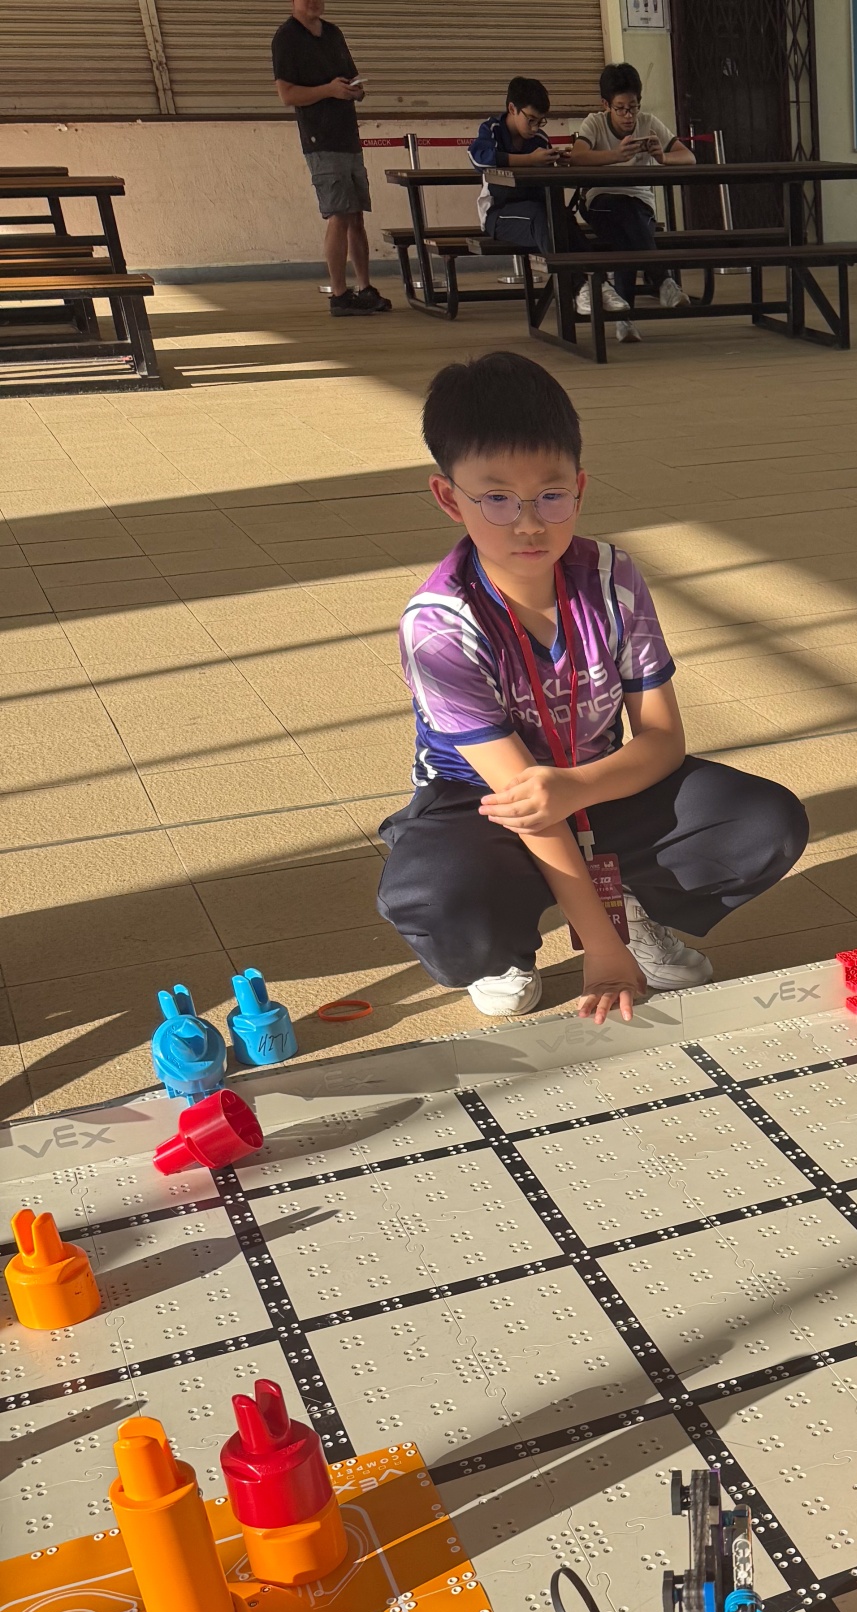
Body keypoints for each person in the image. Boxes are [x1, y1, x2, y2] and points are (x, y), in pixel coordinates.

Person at [377, 352, 808, 1023]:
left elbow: (662, 740)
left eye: (551, 496)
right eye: (497, 498)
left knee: (763, 821)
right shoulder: (438, 625)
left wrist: (580, 787)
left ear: (578, 488)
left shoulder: (613, 576)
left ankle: (632, 905)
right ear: (448, 497)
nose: (529, 523)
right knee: (436, 895)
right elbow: (529, 801)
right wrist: (602, 951)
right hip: (482, 805)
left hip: (597, 781)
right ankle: (504, 949)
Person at [269, 0, 391, 316]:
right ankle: (339, 293)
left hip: (347, 135)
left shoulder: (333, 33)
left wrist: (355, 90)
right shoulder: (286, 37)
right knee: (339, 214)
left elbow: (350, 77)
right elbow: (287, 94)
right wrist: (328, 90)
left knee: (356, 214)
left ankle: (364, 287)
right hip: (320, 138)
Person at [569, 61, 694, 336]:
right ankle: (662, 280)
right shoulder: (594, 123)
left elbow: (689, 157)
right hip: (601, 201)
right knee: (626, 216)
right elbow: (577, 157)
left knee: (625, 238)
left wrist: (662, 157)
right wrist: (616, 155)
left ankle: (624, 319)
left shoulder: (648, 123)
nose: (629, 116)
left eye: (634, 107)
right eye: (621, 108)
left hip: (639, 205)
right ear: (606, 105)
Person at [470, 77, 566, 260]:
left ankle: (596, 276)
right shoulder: (492, 130)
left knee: (563, 220)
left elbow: (548, 179)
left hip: (536, 206)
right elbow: (479, 160)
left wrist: (557, 161)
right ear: (512, 109)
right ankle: (570, 276)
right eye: (531, 120)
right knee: (542, 219)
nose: (535, 128)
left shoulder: (540, 139)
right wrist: (530, 159)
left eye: (540, 121)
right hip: (499, 214)